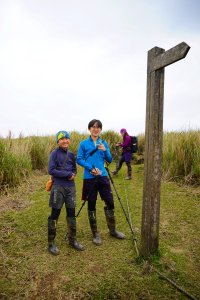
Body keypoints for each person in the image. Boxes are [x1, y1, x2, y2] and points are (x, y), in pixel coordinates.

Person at [77, 119, 125, 246]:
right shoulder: (83, 144)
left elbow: (109, 160)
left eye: (98, 127)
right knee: (91, 204)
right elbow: (79, 159)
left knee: (110, 201)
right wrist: (90, 168)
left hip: (103, 176)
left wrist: (105, 150)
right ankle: (95, 234)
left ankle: (113, 230)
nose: (95, 129)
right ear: (89, 129)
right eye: (93, 127)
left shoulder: (104, 143)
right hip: (89, 177)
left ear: (100, 130)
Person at [47, 130, 85, 255]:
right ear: (58, 141)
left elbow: (74, 169)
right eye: (62, 139)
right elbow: (51, 170)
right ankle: (51, 243)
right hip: (58, 187)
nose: (65, 141)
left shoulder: (71, 154)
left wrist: (73, 173)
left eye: (66, 138)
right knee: (55, 214)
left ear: (69, 140)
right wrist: (67, 174)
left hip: (71, 188)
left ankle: (72, 240)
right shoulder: (54, 154)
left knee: (71, 214)